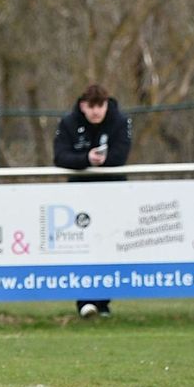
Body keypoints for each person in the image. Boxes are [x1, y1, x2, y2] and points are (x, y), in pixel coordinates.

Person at [53, 84, 132, 318]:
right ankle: (85, 301)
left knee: (110, 245)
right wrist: (86, 159)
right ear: (82, 106)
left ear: (107, 104)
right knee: (82, 246)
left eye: (101, 106)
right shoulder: (68, 123)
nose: (96, 111)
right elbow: (60, 156)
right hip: (79, 196)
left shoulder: (119, 121)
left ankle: (104, 302)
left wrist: (101, 162)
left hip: (112, 193)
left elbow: (120, 155)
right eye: (92, 106)